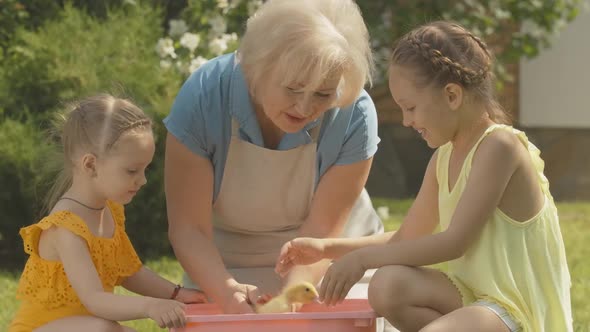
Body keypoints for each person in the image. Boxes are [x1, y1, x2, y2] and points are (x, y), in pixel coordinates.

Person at [275, 21, 572, 332]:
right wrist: (328, 249)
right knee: (386, 285)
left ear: (452, 96)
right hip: (473, 297)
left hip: (514, 308)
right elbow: (408, 237)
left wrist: (363, 261)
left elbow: (455, 242)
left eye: (411, 108)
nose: (405, 121)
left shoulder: (499, 147)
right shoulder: (443, 157)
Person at [164, 0, 383, 315]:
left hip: (334, 264)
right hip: (223, 268)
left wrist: (291, 297)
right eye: (293, 89)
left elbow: (322, 229)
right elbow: (189, 230)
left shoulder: (355, 112)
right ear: (256, 67)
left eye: (323, 94)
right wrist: (227, 294)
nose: (305, 108)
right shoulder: (203, 97)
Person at [9, 95, 207, 332]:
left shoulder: (110, 212)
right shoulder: (65, 228)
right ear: (90, 165)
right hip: (39, 328)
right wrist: (151, 306)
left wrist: (177, 294)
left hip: (85, 326)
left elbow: (130, 272)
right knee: (105, 329)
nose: (142, 180)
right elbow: (95, 300)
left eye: (145, 169)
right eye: (132, 170)